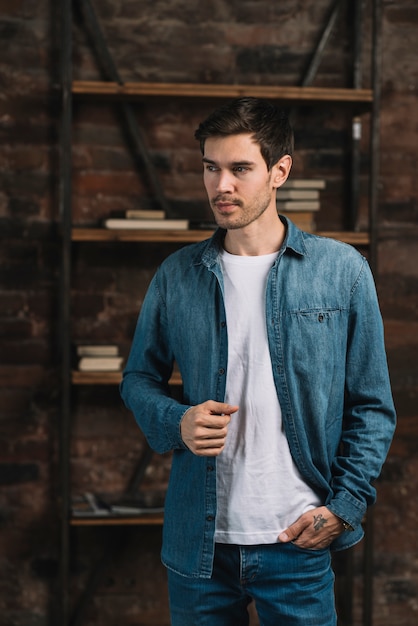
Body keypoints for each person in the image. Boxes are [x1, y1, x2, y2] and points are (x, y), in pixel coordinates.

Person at [120, 97, 396, 626]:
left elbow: (372, 407)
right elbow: (137, 378)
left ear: (279, 171)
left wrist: (344, 508)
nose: (221, 185)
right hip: (200, 547)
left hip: (297, 540)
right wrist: (176, 420)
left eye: (239, 169)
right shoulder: (177, 275)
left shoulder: (343, 272)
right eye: (210, 168)